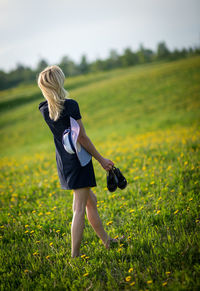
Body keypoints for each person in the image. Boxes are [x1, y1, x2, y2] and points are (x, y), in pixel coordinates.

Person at [38, 65, 118, 258]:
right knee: (79, 208)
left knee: (91, 202)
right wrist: (101, 159)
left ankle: (107, 242)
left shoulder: (44, 109)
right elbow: (82, 137)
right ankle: (74, 256)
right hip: (79, 162)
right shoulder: (71, 105)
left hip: (64, 163)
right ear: (59, 82)